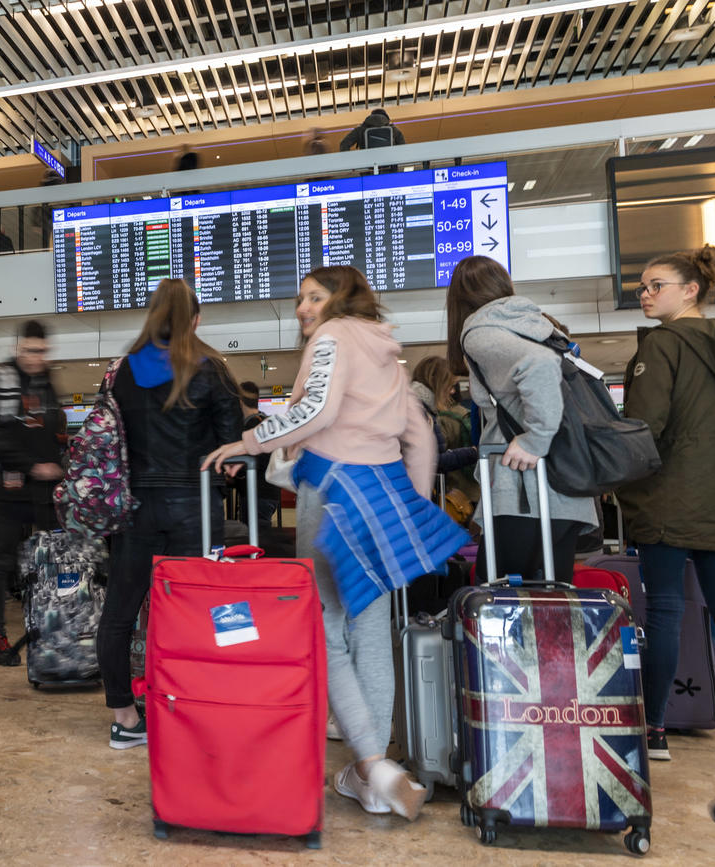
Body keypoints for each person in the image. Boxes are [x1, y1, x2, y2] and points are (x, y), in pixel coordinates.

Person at [205, 265, 465, 821]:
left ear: (338, 300)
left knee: (325, 631)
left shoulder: (332, 336)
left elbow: (314, 409)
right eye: (300, 298)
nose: (302, 308)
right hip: (384, 493)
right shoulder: (385, 353)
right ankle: (371, 775)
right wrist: (412, 510)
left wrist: (247, 441)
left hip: (335, 495)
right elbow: (419, 435)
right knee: (371, 633)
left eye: (313, 297)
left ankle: (374, 764)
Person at [96, 278, 242, 749]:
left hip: (134, 508)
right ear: (195, 320)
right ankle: (191, 709)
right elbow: (233, 452)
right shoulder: (212, 371)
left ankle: (124, 717)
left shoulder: (120, 372)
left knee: (119, 613)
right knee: (199, 613)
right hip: (194, 507)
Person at [615, 245, 715, 762]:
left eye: (655, 285)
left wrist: (610, 476)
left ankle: (654, 729)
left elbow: (644, 430)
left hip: (667, 500)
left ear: (691, 290)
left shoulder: (662, 345)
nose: (645, 294)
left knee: (662, 611)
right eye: (643, 287)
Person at [444, 255, 597, 581]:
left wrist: (535, 439)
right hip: (567, 487)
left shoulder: (480, 332)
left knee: (499, 607)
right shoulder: (541, 325)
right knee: (553, 614)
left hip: (523, 495)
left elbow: (539, 365)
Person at [0, 320, 66, 666]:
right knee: (2, 563)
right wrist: (32, 465)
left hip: (43, 492)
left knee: (49, 560)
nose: (36, 357)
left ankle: (50, 631)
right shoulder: (0, 380)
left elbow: (53, 428)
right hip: (7, 489)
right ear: (18, 348)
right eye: (31, 350)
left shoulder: (46, 382)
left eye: (42, 351)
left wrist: (55, 464)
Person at [409, 356, 479, 503]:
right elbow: (433, 460)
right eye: (450, 385)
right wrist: (473, 453)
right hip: (417, 494)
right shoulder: (417, 411)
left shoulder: (420, 408)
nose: (453, 391)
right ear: (437, 382)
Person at [235, 380, 280, 527]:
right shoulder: (264, 422)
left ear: (240, 402)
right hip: (268, 492)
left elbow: (249, 462)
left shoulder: (252, 427)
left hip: (257, 493)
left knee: (256, 540)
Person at [339, 108, 406, 151]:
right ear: (386, 118)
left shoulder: (360, 129)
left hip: (368, 166)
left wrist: (349, 162)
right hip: (389, 165)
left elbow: (344, 144)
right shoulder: (393, 129)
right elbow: (402, 147)